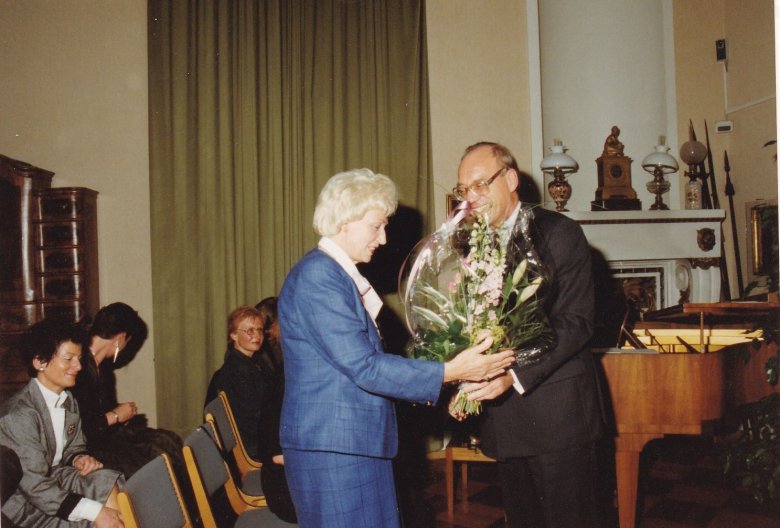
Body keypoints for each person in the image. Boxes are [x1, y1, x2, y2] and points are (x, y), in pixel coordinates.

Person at [278, 168, 516, 527]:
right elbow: (365, 367)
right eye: (376, 226)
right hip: (336, 449)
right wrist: (452, 371)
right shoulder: (319, 277)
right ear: (344, 220)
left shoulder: (335, 275)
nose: (384, 238)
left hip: (352, 442)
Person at [454, 142, 605, 528]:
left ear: (510, 179)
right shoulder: (474, 243)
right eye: (464, 189)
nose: (471, 197)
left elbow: (576, 322)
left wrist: (512, 373)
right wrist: (465, 374)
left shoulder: (559, 233)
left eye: (480, 185)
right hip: (505, 421)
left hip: (557, 417)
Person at [0, 318, 124, 528]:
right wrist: (96, 512)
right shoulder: (19, 415)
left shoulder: (67, 399)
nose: (78, 366)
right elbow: (35, 486)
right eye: (69, 358)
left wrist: (78, 458)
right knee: (97, 518)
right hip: (26, 504)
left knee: (105, 481)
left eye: (79, 358)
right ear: (39, 362)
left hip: (55, 479)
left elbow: (73, 446)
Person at [70, 302, 182, 478]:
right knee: (154, 461)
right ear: (121, 337)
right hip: (85, 448)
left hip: (105, 436)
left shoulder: (103, 369)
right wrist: (115, 416)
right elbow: (77, 428)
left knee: (167, 440)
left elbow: (99, 412)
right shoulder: (77, 370)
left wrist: (122, 416)